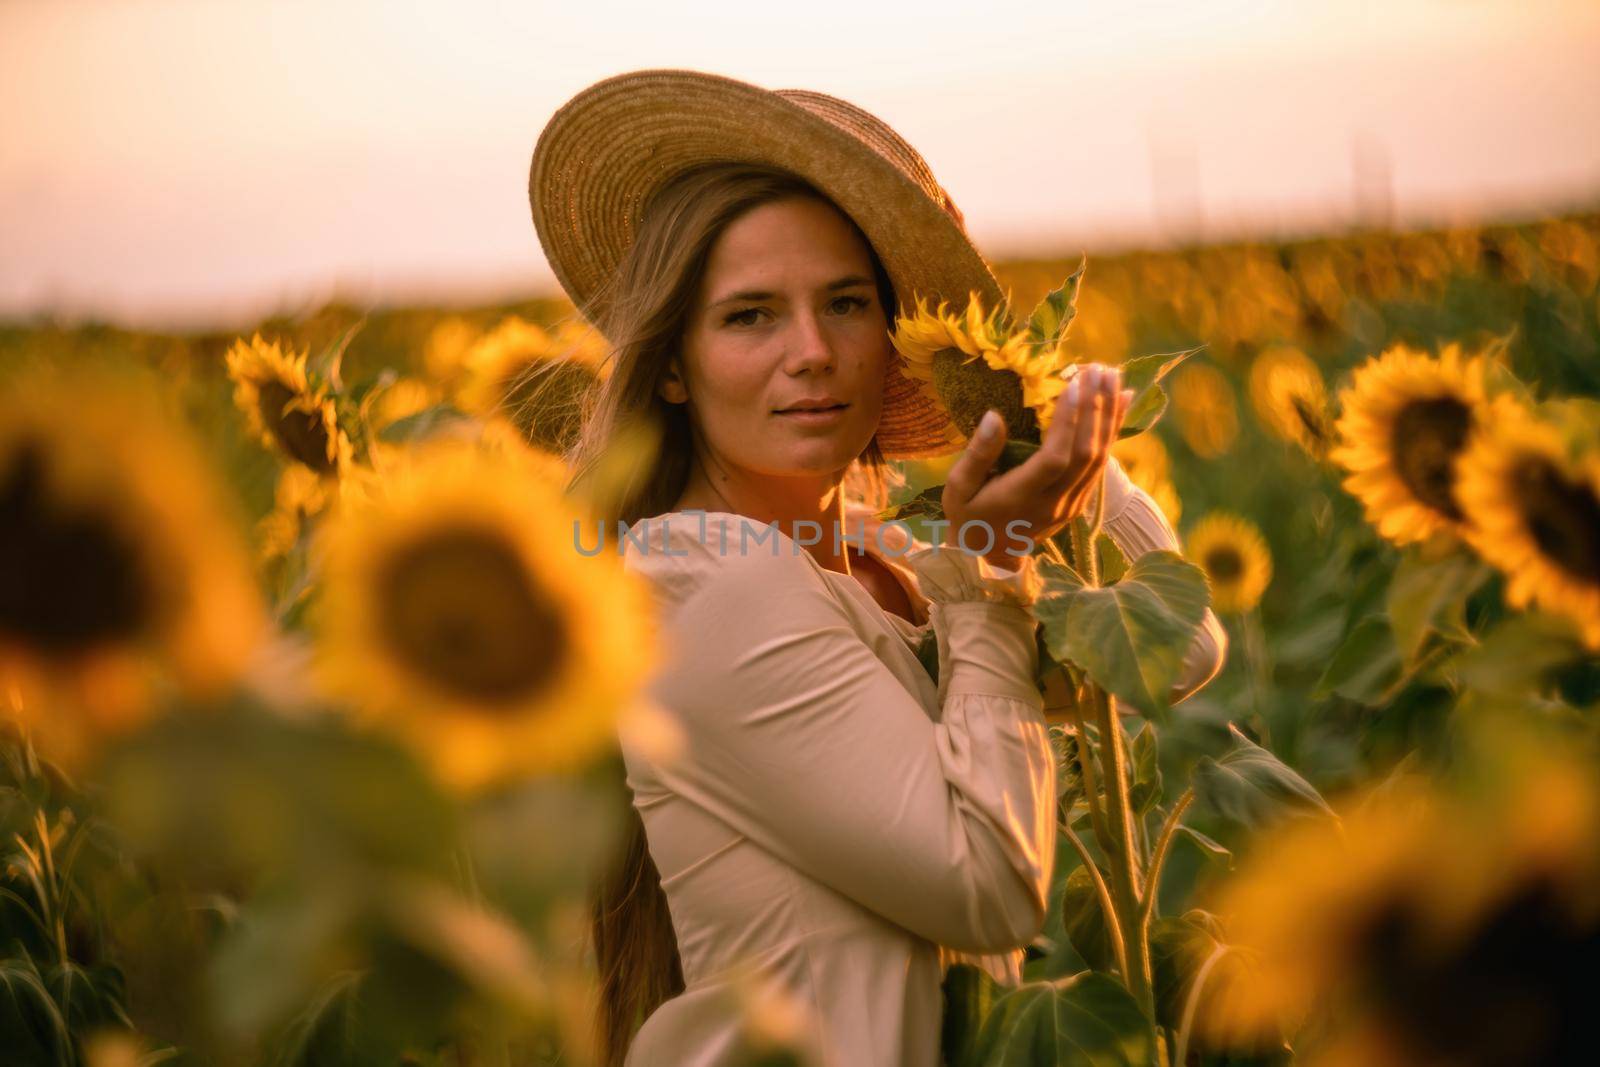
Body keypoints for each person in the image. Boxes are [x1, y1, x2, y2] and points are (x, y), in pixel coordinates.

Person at [528, 69, 1227, 1067]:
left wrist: (1046, 416)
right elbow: (986, 880)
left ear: (894, 336)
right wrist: (991, 574)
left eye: (847, 303)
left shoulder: (889, 556)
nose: (812, 350)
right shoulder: (694, 576)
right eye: (750, 315)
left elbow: (1172, 650)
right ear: (672, 364)